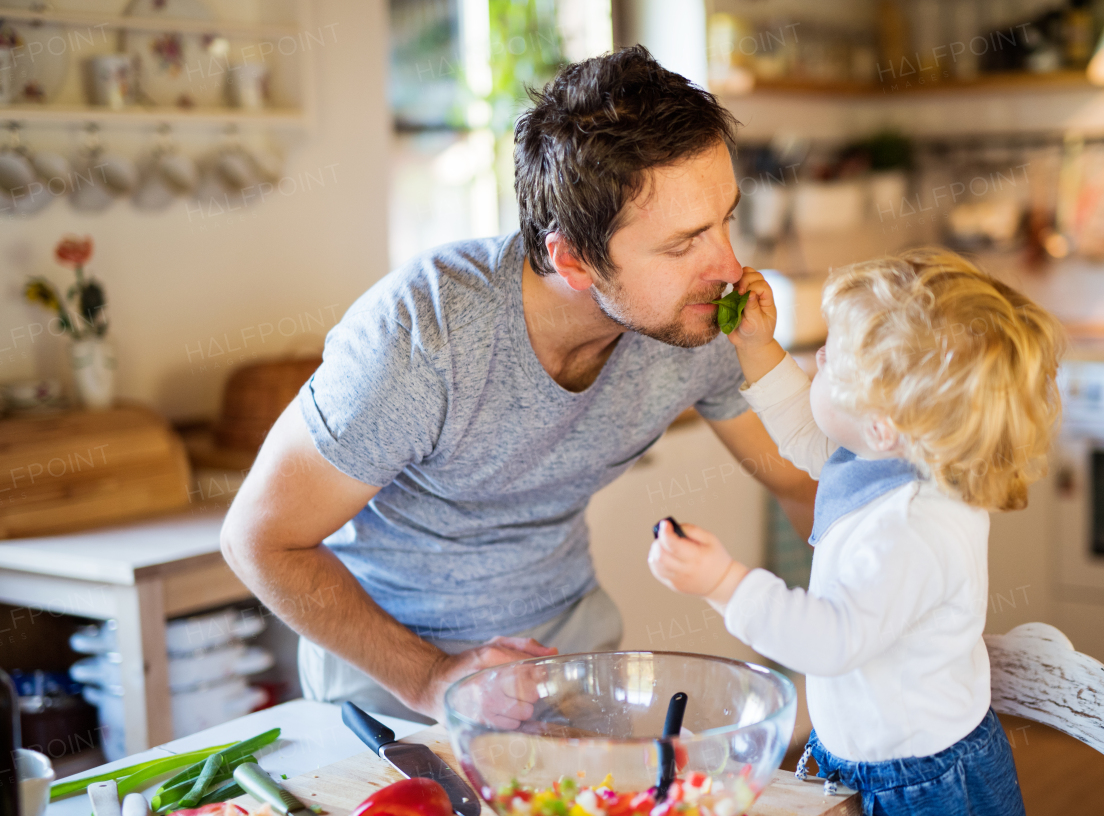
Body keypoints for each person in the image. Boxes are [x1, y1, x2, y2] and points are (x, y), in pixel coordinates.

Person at [219, 46, 818, 726]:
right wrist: (432, 680)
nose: (728, 266)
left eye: (725, 221)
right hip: (391, 692)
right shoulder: (423, 336)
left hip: (573, 662)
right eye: (683, 244)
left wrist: (862, 626)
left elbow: (802, 481)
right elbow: (258, 540)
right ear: (572, 258)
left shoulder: (696, 318)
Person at [646, 249, 1065, 816]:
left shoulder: (915, 528)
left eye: (834, 361)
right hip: (864, 757)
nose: (817, 360)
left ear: (881, 426)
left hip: (922, 785)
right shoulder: (886, 461)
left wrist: (724, 584)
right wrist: (757, 346)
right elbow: (807, 430)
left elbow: (831, 641)